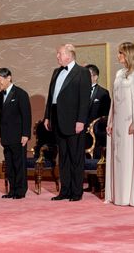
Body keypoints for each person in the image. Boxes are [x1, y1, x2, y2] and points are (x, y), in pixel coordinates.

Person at [105, 42, 134, 207]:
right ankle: (119, 194)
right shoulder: (119, 73)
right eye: (118, 53)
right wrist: (110, 120)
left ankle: (130, 195)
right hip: (118, 120)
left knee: (128, 155)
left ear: (128, 54)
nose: (118, 56)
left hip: (130, 121)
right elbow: (114, 100)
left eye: (121, 53)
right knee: (118, 156)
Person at [44, 44, 91, 202]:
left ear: (69, 55)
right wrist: (47, 117)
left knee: (76, 157)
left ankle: (76, 192)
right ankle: (64, 191)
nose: (57, 56)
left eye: (60, 53)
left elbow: (85, 99)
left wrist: (81, 120)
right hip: (57, 118)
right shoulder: (56, 72)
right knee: (63, 157)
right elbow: (51, 97)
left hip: (74, 121)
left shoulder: (82, 72)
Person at [0, 68, 31, 199]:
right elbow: (0, 118)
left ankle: (20, 191)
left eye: (0, 80)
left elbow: (26, 116)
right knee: (10, 166)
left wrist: (26, 134)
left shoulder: (21, 94)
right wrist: (1, 135)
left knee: (19, 164)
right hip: (6, 136)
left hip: (19, 136)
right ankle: (12, 190)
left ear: (9, 77)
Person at [84, 64, 110, 192]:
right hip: (83, 131)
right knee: (86, 156)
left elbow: (106, 115)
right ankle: (90, 183)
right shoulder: (81, 92)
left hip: (98, 132)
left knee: (97, 156)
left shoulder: (103, 93)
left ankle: (101, 184)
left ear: (95, 76)